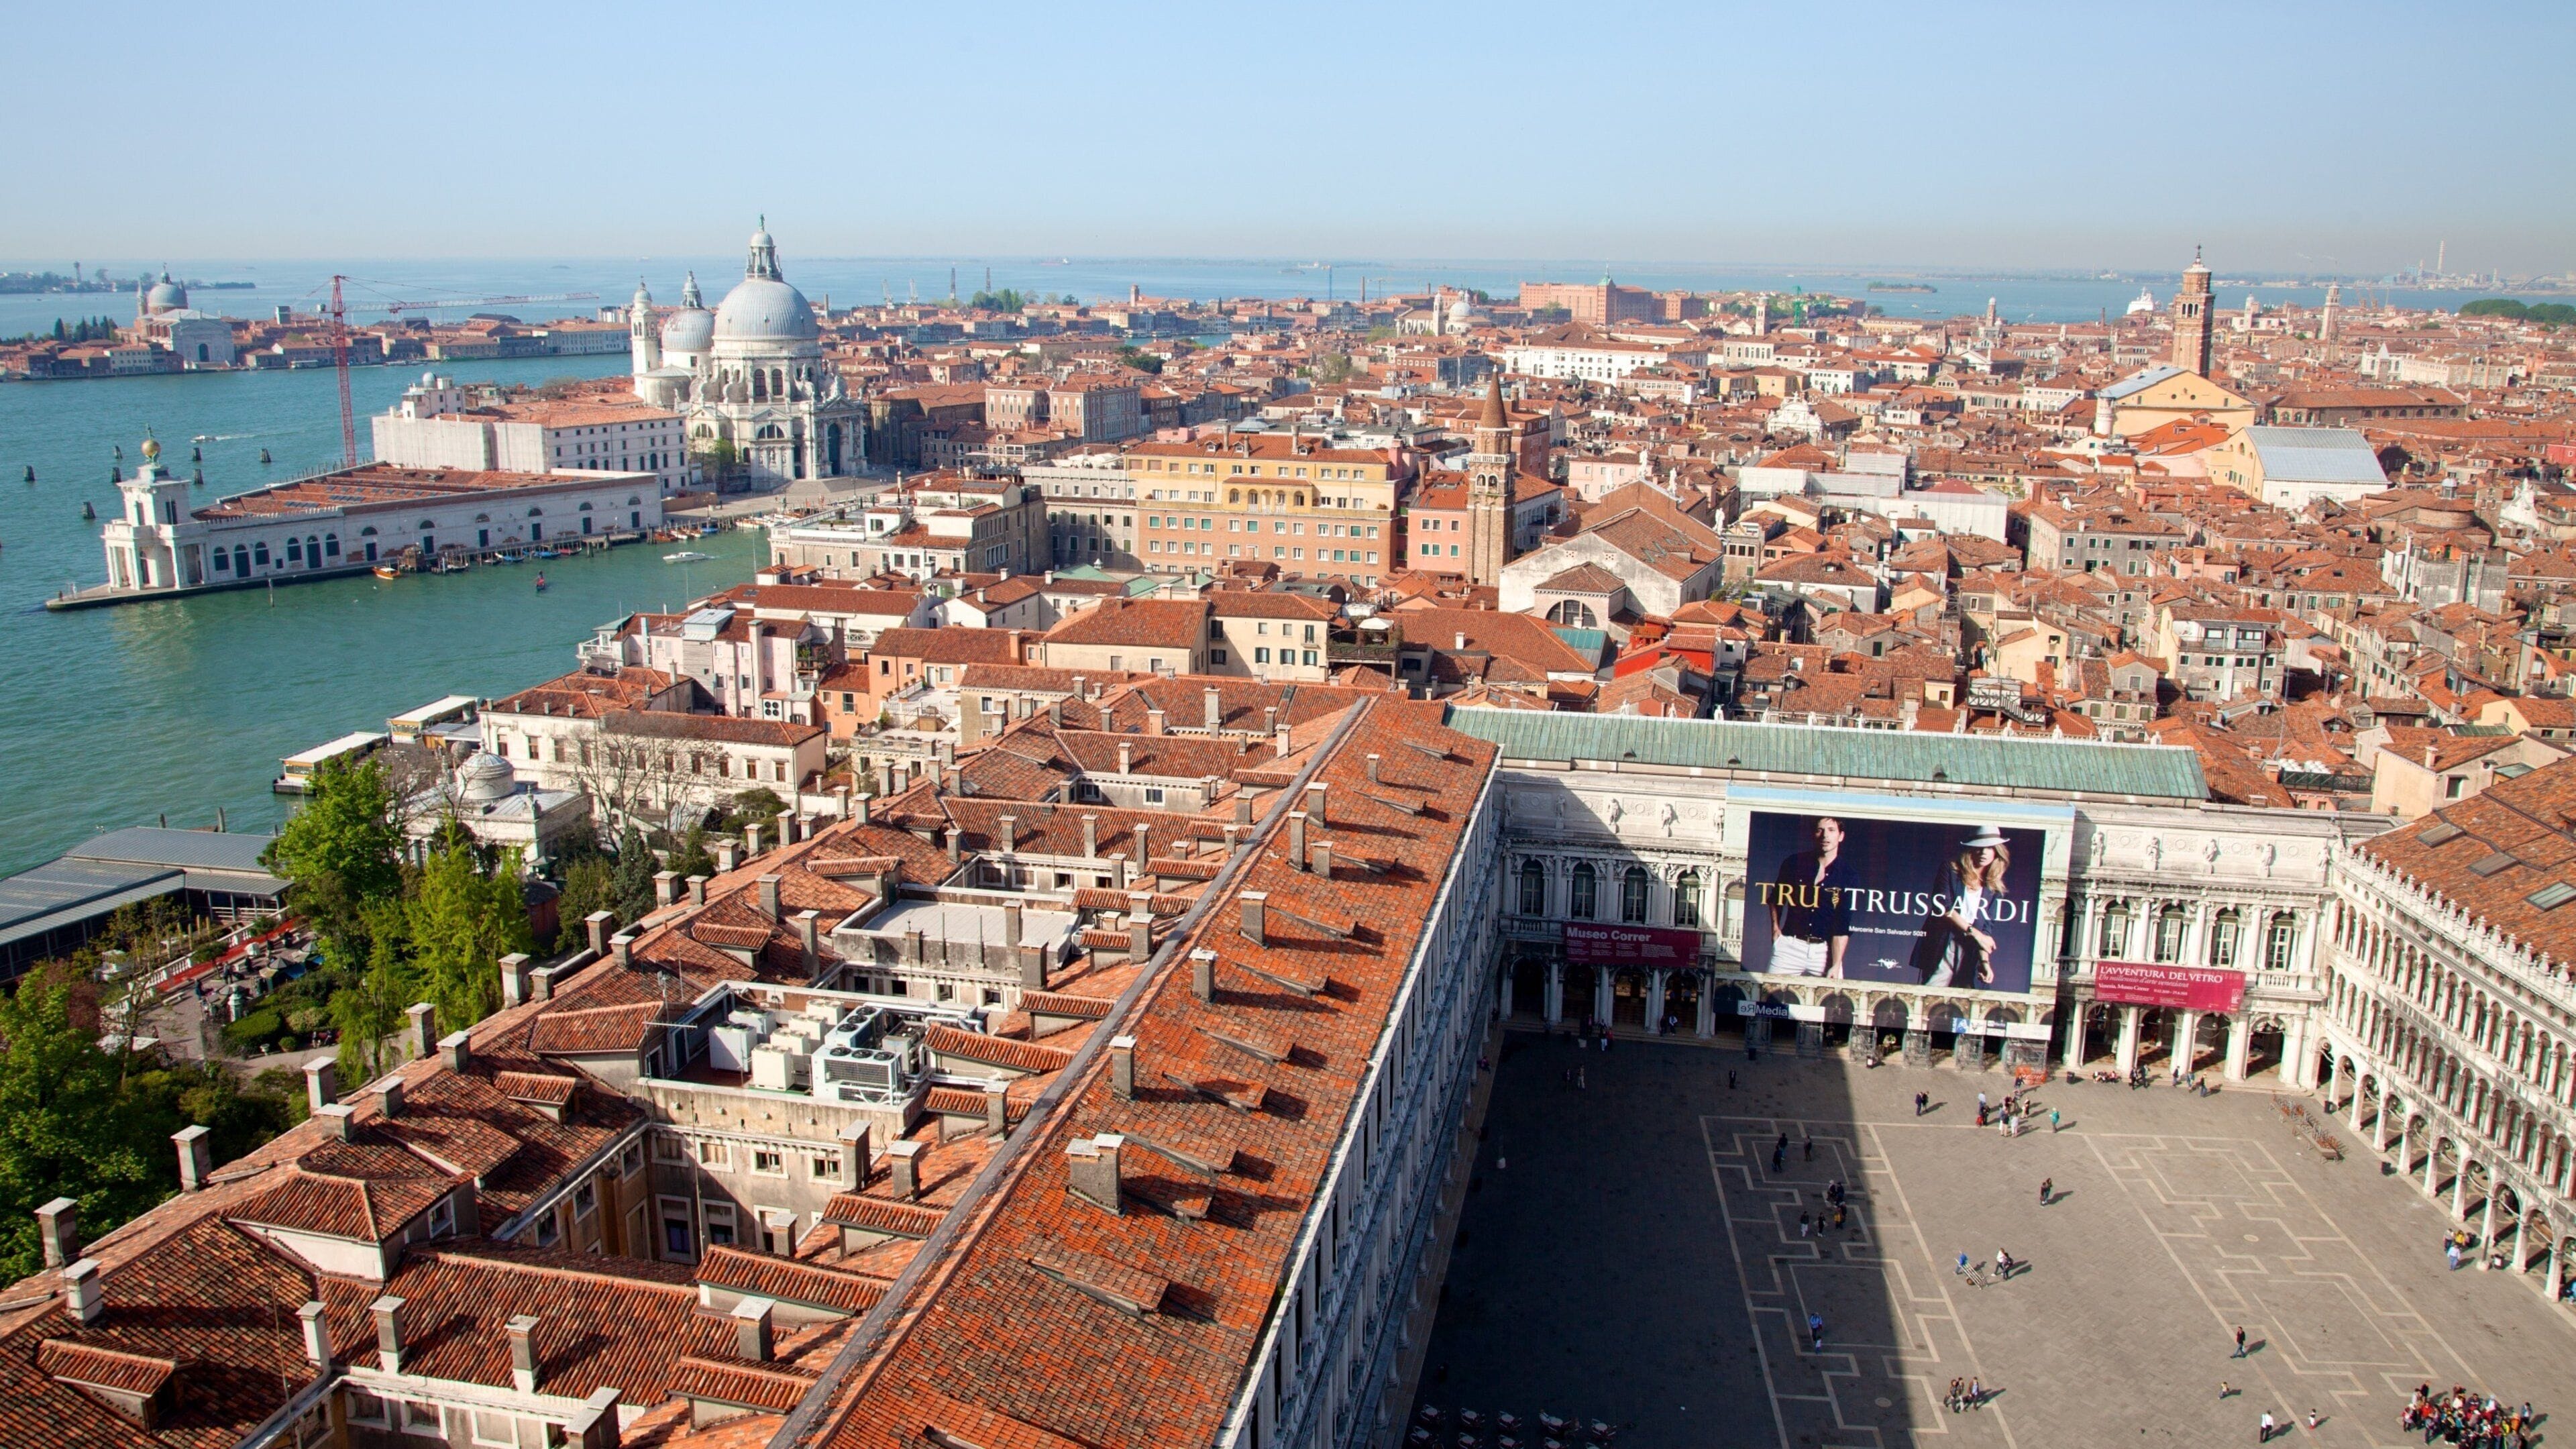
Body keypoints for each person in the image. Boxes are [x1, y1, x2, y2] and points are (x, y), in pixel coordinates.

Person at [1912, 826, 2010, 988]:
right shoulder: (1951, 870)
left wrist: (1984, 961)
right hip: (1944, 943)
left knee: (1963, 1000)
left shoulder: (1995, 888)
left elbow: (1986, 929)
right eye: (1980, 847)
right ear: (1971, 849)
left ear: (1997, 852)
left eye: (1990, 847)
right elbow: (1943, 907)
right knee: (1932, 992)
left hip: (1971, 949)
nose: (1984, 852)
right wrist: (1975, 933)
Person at [1766, 815, 1857, 977]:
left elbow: (1843, 924)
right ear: (1813, 835)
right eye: (1820, 830)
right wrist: (1775, 929)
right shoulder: (1794, 863)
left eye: (1831, 830)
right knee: (1768, 997)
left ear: (1841, 836)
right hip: (1789, 946)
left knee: (1832, 1001)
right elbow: (1776, 899)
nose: (1825, 836)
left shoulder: (1848, 875)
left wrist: (1836, 965)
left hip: (1825, 952)